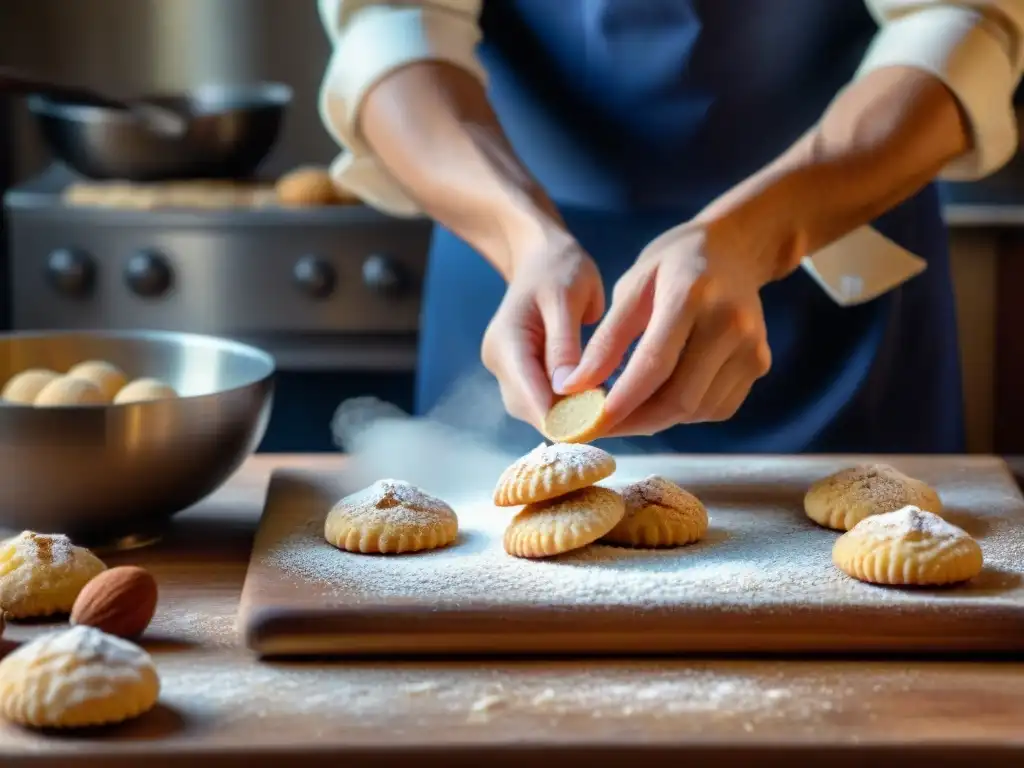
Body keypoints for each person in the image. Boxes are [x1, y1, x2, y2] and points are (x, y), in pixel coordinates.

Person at [316, 0, 1024, 455]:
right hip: (515, 269)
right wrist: (521, 235)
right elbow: (392, 27)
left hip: (834, 252)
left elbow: (960, 25)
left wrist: (758, 233)